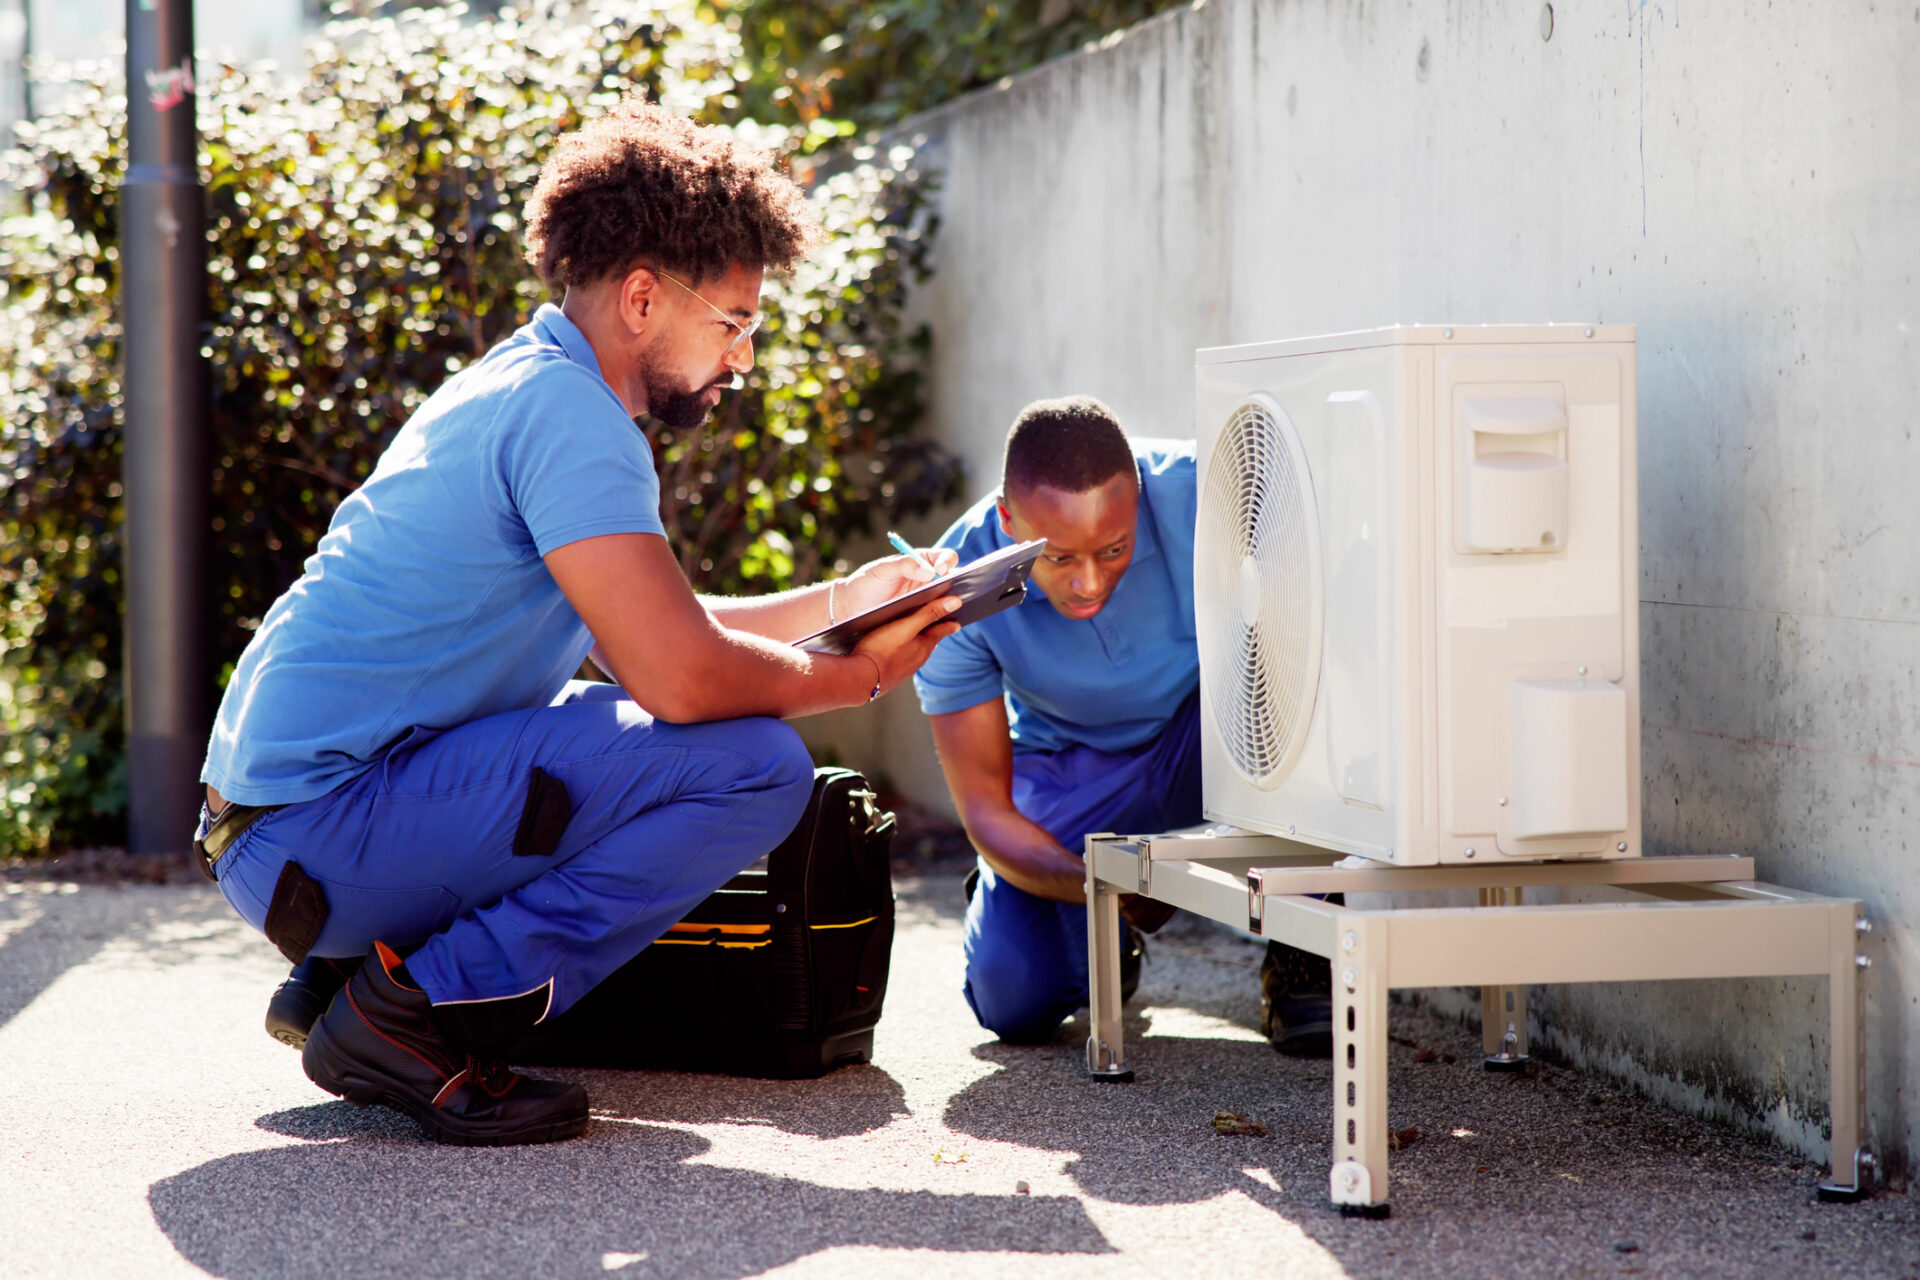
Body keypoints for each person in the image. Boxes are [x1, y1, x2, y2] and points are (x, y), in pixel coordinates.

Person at [195, 102, 962, 1147]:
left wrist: (844, 606)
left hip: (287, 828)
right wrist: (859, 676)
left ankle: (349, 970)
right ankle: (415, 1010)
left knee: (646, 724)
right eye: (736, 323)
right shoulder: (572, 418)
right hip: (321, 830)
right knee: (754, 766)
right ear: (643, 296)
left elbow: (657, 630)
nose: (743, 359)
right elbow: (682, 678)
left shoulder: (527, 382)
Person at [912, 396, 1332, 1052]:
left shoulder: (1218, 495)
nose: (1087, 583)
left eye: (1114, 549)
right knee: (1012, 998)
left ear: (1138, 499)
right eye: (1057, 558)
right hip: (1076, 777)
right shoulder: (955, 589)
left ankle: (1305, 941)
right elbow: (986, 814)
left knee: (1306, 673)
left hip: (1213, 740)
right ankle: (1086, 930)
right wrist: (1110, 883)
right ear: (1006, 519)